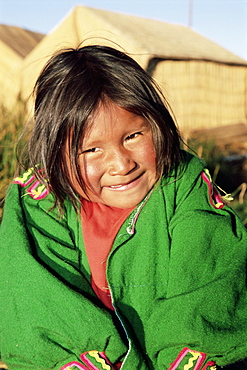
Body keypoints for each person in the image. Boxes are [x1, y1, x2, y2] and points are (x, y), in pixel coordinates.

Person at [0, 45, 247, 370]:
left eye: (133, 136)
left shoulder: (183, 185)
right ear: (54, 153)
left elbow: (208, 291)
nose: (120, 164)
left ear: (158, 124)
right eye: (90, 150)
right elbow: (36, 304)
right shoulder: (39, 202)